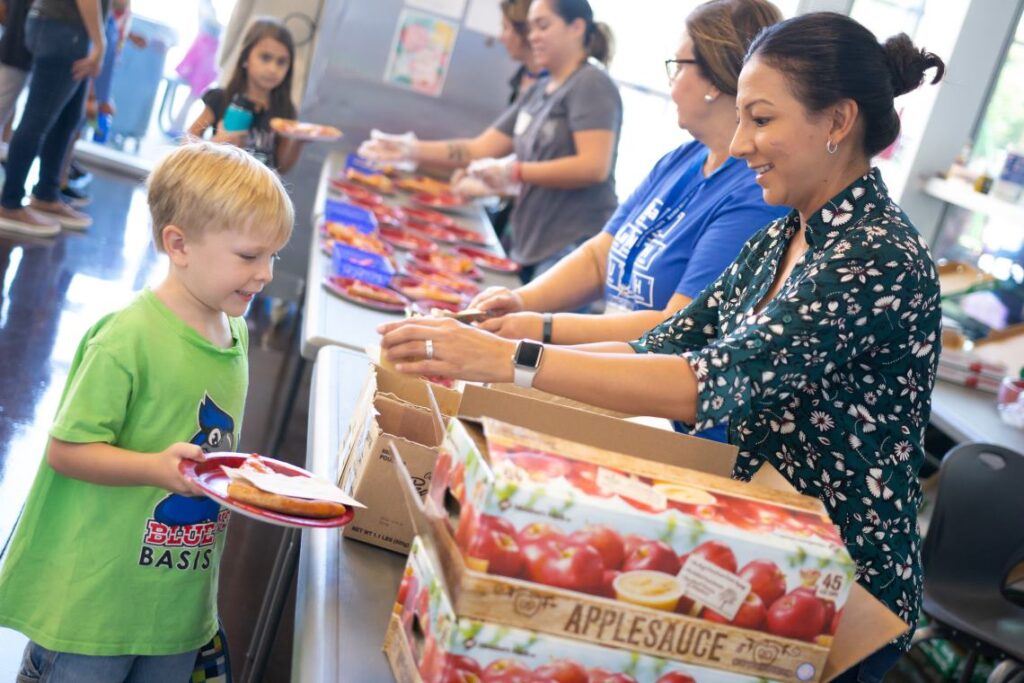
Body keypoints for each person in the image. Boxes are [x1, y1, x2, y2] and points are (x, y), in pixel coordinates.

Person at [380, 12, 945, 681]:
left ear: (838, 121)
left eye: (761, 119)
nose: (740, 145)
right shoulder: (784, 236)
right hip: (767, 549)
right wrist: (500, 348)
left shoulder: (875, 256)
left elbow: (706, 381)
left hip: (842, 587)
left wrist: (511, 361)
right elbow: (667, 342)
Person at [0, 141, 294, 682]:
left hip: (175, 607)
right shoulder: (127, 339)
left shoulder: (235, 332)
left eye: (274, 255)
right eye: (250, 256)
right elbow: (67, 451)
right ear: (178, 244)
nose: (267, 274)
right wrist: (158, 469)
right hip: (93, 605)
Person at [470, 0, 787, 347]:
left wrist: (542, 327)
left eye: (678, 67)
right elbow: (599, 257)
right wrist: (522, 302)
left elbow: (676, 325)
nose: (672, 83)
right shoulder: (681, 159)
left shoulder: (756, 193)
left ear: (713, 79)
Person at [360, 0, 622, 283]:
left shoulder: (591, 84)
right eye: (531, 27)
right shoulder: (538, 92)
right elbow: (479, 149)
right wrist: (409, 149)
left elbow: (593, 166)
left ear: (577, 27)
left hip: (572, 244)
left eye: (543, 26)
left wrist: (514, 173)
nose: (533, 36)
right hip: (532, 240)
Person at [0, 0, 105, 236]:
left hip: (65, 28)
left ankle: (46, 194)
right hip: (63, 29)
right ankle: (10, 203)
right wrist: (100, 42)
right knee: (37, 120)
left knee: (67, 119)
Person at [187, 17, 304, 174]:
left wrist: (299, 142)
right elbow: (186, 145)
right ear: (245, 58)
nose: (273, 69)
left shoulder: (285, 110)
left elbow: (282, 166)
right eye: (265, 58)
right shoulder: (220, 99)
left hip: (260, 193)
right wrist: (216, 143)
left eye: (281, 62)